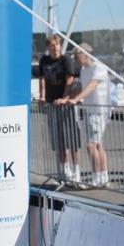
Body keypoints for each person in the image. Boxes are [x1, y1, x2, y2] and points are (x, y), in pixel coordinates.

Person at [57, 44, 110, 187]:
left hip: (99, 111)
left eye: (77, 56)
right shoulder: (84, 70)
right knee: (98, 145)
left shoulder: (98, 68)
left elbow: (91, 86)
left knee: (90, 145)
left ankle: (96, 178)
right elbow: (80, 87)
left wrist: (76, 99)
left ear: (85, 54)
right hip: (89, 110)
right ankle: (103, 176)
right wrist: (68, 98)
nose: (75, 59)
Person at [39, 35, 82, 183]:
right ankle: (63, 172)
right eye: (52, 45)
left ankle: (76, 172)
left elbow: (70, 80)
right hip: (52, 103)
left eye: (57, 45)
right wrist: (42, 96)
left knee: (72, 139)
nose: (55, 48)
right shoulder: (44, 61)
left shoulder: (65, 60)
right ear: (48, 47)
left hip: (65, 104)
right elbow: (42, 78)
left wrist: (64, 98)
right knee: (58, 140)